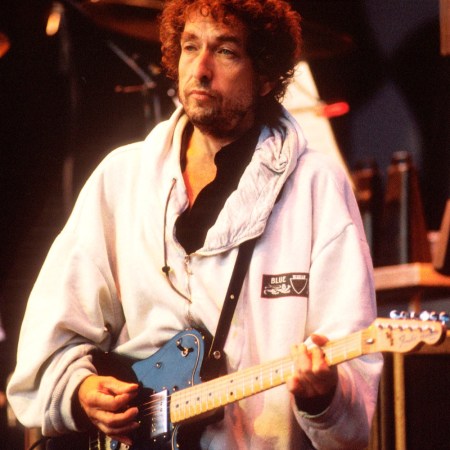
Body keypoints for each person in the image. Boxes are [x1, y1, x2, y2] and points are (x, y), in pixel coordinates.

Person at [7, 0, 383, 448]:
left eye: (225, 51)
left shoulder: (317, 186)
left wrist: (324, 396)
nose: (200, 70)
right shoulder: (120, 177)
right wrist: (82, 390)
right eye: (190, 47)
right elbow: (46, 347)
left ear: (265, 75)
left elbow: (354, 413)